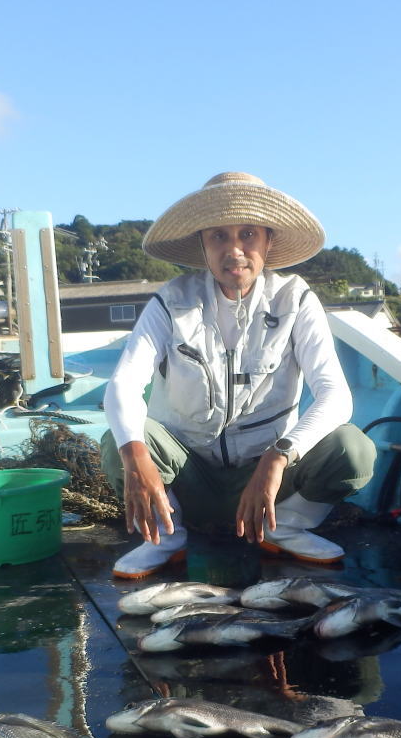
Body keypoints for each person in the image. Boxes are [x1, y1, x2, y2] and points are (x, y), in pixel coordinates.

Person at [100, 172, 377, 579]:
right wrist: (135, 455)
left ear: (268, 241)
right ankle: (166, 535)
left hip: (268, 483)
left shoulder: (296, 299)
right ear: (203, 244)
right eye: (219, 236)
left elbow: (335, 395)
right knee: (118, 442)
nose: (234, 250)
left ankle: (285, 527)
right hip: (188, 480)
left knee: (352, 450)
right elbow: (124, 383)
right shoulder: (172, 300)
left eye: (248, 234)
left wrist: (279, 455)